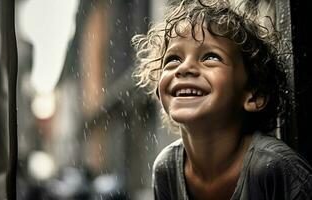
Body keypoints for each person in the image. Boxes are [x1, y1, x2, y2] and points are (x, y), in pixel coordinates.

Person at [132, 0, 312, 199]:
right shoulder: (166, 169)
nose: (184, 68)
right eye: (173, 59)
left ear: (254, 94)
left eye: (211, 57)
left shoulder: (275, 168)